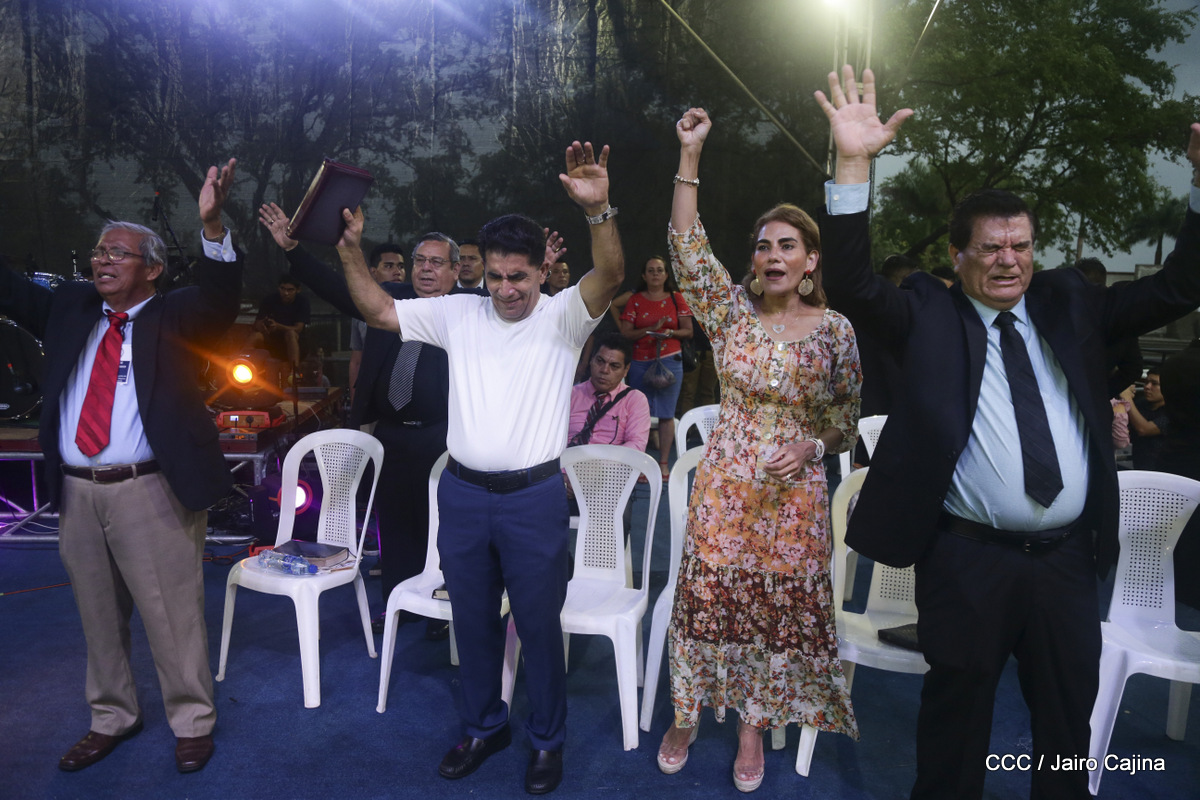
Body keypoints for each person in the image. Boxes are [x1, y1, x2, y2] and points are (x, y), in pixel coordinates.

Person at [817, 64, 1200, 799]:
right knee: (956, 721)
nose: (1008, 261)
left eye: (1020, 246)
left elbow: (1180, 286)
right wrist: (853, 165)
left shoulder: (1071, 305)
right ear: (958, 256)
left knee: (1066, 720)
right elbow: (855, 282)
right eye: (991, 248)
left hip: (1066, 563)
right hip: (967, 560)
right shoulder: (926, 314)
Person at [337, 139, 623, 795]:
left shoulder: (564, 316)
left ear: (541, 271)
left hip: (534, 498)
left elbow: (609, 273)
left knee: (538, 626)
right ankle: (484, 726)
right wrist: (351, 250)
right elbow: (378, 309)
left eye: (518, 276)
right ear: (481, 272)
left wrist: (598, 210)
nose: (505, 289)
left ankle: (546, 740)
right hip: (463, 496)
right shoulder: (458, 312)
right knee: (469, 620)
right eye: (494, 276)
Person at [0, 159, 242, 774]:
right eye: (98, 251)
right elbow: (9, 289)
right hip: (77, 493)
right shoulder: (72, 308)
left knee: (171, 614)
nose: (101, 260)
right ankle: (112, 716)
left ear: (152, 268)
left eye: (117, 252)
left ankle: (192, 721)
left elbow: (221, 297)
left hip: (150, 491)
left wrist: (213, 226)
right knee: (98, 616)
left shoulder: (175, 314)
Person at [656, 107, 863, 793]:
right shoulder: (730, 315)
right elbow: (687, 247)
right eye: (763, 245)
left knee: (772, 615)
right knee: (705, 601)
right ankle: (686, 714)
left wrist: (811, 446)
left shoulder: (835, 331)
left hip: (795, 500)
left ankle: (752, 725)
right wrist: (690, 155)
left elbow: (845, 420)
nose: (772, 256)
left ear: (810, 261)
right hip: (725, 490)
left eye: (787, 246)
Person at [619, 256, 693, 479]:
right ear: (644, 275)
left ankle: (663, 464)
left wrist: (670, 333)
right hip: (640, 361)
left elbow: (688, 331)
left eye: (660, 270)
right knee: (638, 414)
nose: (655, 274)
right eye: (650, 270)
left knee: (667, 414)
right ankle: (640, 465)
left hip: (670, 360)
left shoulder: (676, 298)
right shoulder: (635, 300)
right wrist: (650, 328)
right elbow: (626, 333)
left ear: (666, 274)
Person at [567, 333, 650, 450]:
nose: (604, 370)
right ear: (591, 360)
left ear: (626, 370)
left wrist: (604, 460)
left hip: (612, 461)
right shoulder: (570, 394)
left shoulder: (635, 400)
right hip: (568, 459)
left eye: (614, 366)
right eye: (600, 361)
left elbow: (637, 444)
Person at [348, 243, 406, 405]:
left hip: (408, 396)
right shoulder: (362, 310)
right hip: (371, 393)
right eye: (389, 266)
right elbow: (356, 360)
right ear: (373, 272)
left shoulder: (414, 306)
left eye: (401, 267)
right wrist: (355, 401)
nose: (397, 272)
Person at [247, 275, 309, 369]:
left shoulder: (302, 302)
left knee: (291, 334)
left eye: (290, 290)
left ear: (298, 290)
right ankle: (242, 364)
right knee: (255, 336)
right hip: (272, 340)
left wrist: (278, 326)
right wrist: (263, 326)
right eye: (282, 289)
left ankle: (294, 371)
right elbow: (257, 323)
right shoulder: (269, 300)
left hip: (295, 344)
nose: (285, 293)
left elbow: (298, 328)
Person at [1119, 369, 1167, 470]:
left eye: (1154, 384)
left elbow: (1144, 429)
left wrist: (1127, 398)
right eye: (1146, 382)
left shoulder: (1173, 412)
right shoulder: (1142, 404)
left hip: (1161, 469)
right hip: (1139, 464)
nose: (1147, 387)